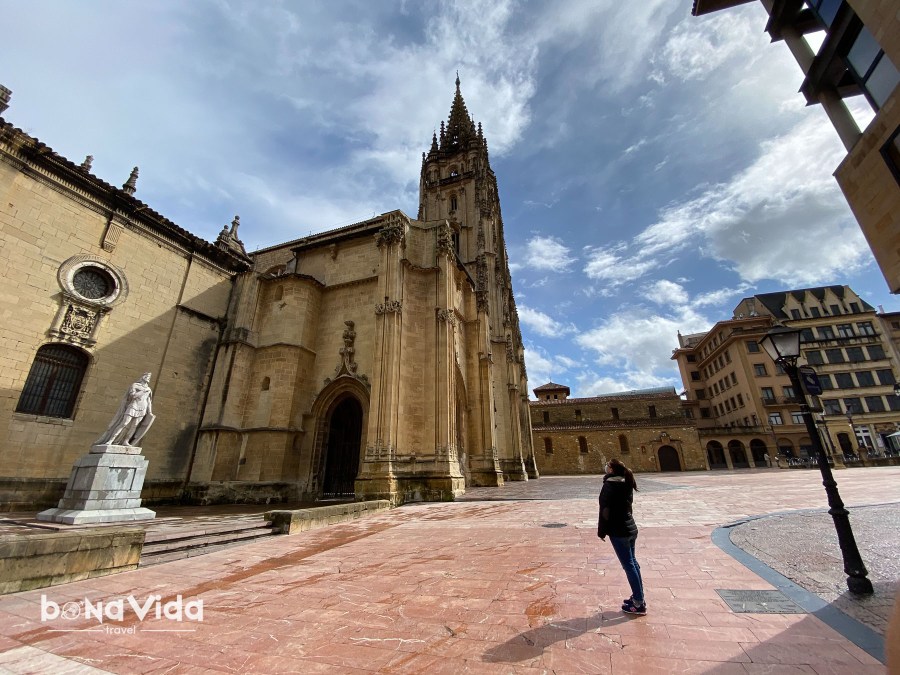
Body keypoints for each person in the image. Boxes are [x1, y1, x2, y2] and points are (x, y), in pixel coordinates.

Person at [598, 458, 645, 615]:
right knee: (633, 563)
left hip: (618, 531)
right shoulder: (627, 482)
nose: (606, 467)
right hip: (630, 528)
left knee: (629, 565)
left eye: (608, 465)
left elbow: (604, 510)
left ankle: (638, 603)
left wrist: (602, 531)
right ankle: (639, 597)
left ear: (611, 469)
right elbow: (628, 507)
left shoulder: (609, 485)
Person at [95, 372, 155, 446]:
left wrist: (150, 412)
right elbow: (133, 396)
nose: (149, 378)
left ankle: (126, 440)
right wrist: (143, 391)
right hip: (133, 405)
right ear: (143, 377)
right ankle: (111, 440)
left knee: (134, 425)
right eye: (148, 376)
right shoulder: (135, 385)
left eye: (149, 377)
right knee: (124, 423)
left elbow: (148, 401)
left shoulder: (149, 389)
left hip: (143, 408)